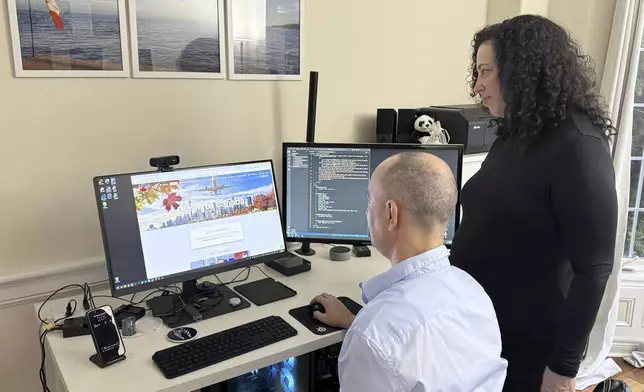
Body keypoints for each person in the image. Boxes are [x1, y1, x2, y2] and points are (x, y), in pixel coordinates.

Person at [449, 14, 618, 392]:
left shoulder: (578, 146)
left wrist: (563, 369)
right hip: (486, 330)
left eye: (485, 71)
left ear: (522, 71)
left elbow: (594, 270)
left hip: (531, 349)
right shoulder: (518, 132)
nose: (477, 86)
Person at [311, 152, 508, 391]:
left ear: (390, 214)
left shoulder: (373, 336)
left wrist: (364, 331)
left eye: (370, 201)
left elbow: (387, 343)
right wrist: (355, 323)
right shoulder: (474, 293)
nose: (367, 210)